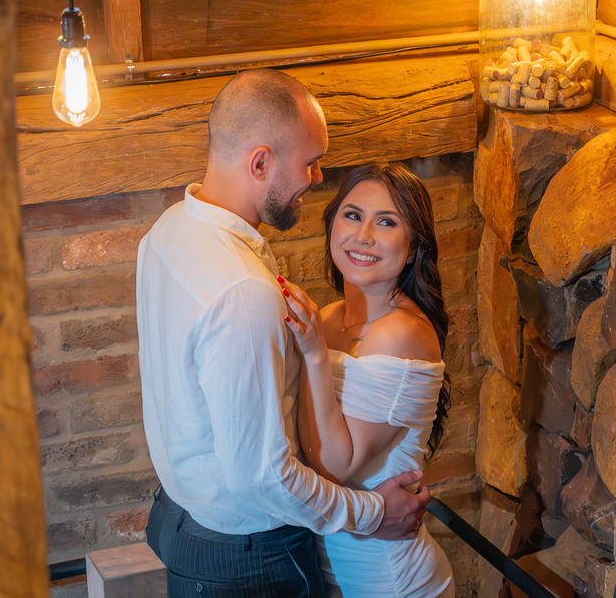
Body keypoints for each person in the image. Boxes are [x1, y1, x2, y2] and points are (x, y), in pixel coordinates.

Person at [137, 68, 429, 597]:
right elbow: (261, 478)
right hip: (246, 556)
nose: (317, 178)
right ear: (260, 163)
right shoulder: (244, 293)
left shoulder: (168, 231)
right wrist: (372, 513)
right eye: (310, 162)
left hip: (181, 518)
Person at [280, 163, 455, 597]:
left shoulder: (400, 334)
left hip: (388, 579)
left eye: (387, 222)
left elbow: (334, 468)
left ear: (412, 248)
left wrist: (314, 355)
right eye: (353, 215)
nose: (363, 235)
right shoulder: (328, 317)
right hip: (328, 565)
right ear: (332, 225)